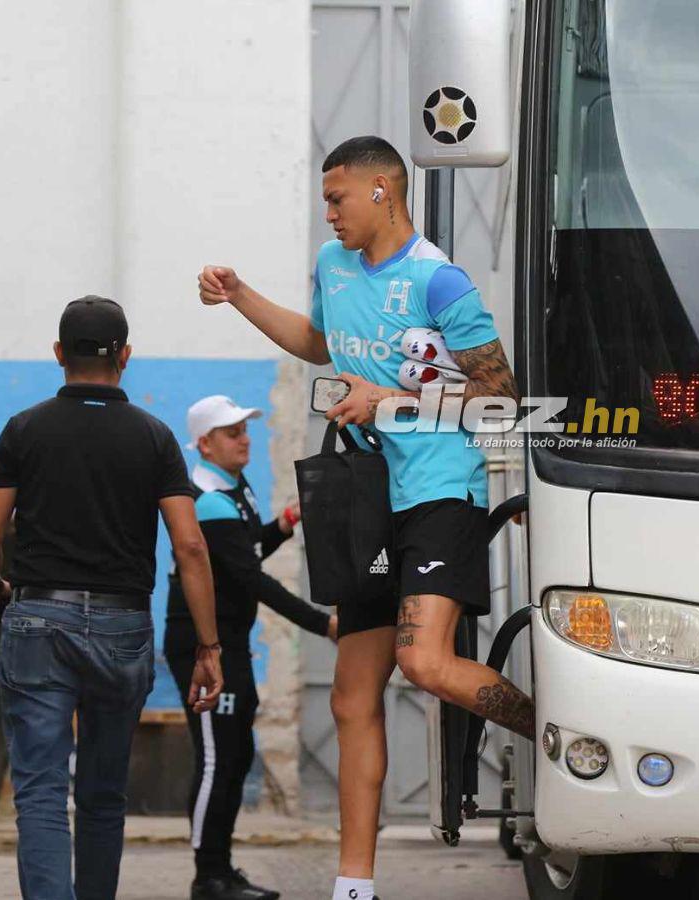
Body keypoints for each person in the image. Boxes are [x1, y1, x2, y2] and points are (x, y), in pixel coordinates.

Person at [197, 135, 533, 900]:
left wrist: (391, 400)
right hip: (367, 499)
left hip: (442, 489)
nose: (330, 212)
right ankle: (354, 886)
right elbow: (321, 344)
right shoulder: (331, 266)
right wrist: (241, 294)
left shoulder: (439, 281)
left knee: (424, 663)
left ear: (384, 190)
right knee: (353, 697)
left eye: (338, 197)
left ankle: (553, 731)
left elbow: (505, 400)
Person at [0, 296, 224, 900]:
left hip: (35, 616)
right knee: (104, 796)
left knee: (39, 790)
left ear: (59, 354)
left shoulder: (24, 429)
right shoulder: (155, 437)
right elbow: (190, 547)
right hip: (122, 625)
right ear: (126, 357)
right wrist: (208, 646)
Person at [166, 394, 338, 900]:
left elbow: (247, 551)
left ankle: (222, 868)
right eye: (232, 432)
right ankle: (208, 876)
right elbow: (249, 578)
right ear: (204, 443)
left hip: (229, 643)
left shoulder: (233, 489)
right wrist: (322, 623)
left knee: (237, 755)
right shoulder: (207, 498)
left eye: (245, 429)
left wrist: (285, 521)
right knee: (219, 757)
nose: (244, 439)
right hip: (203, 648)